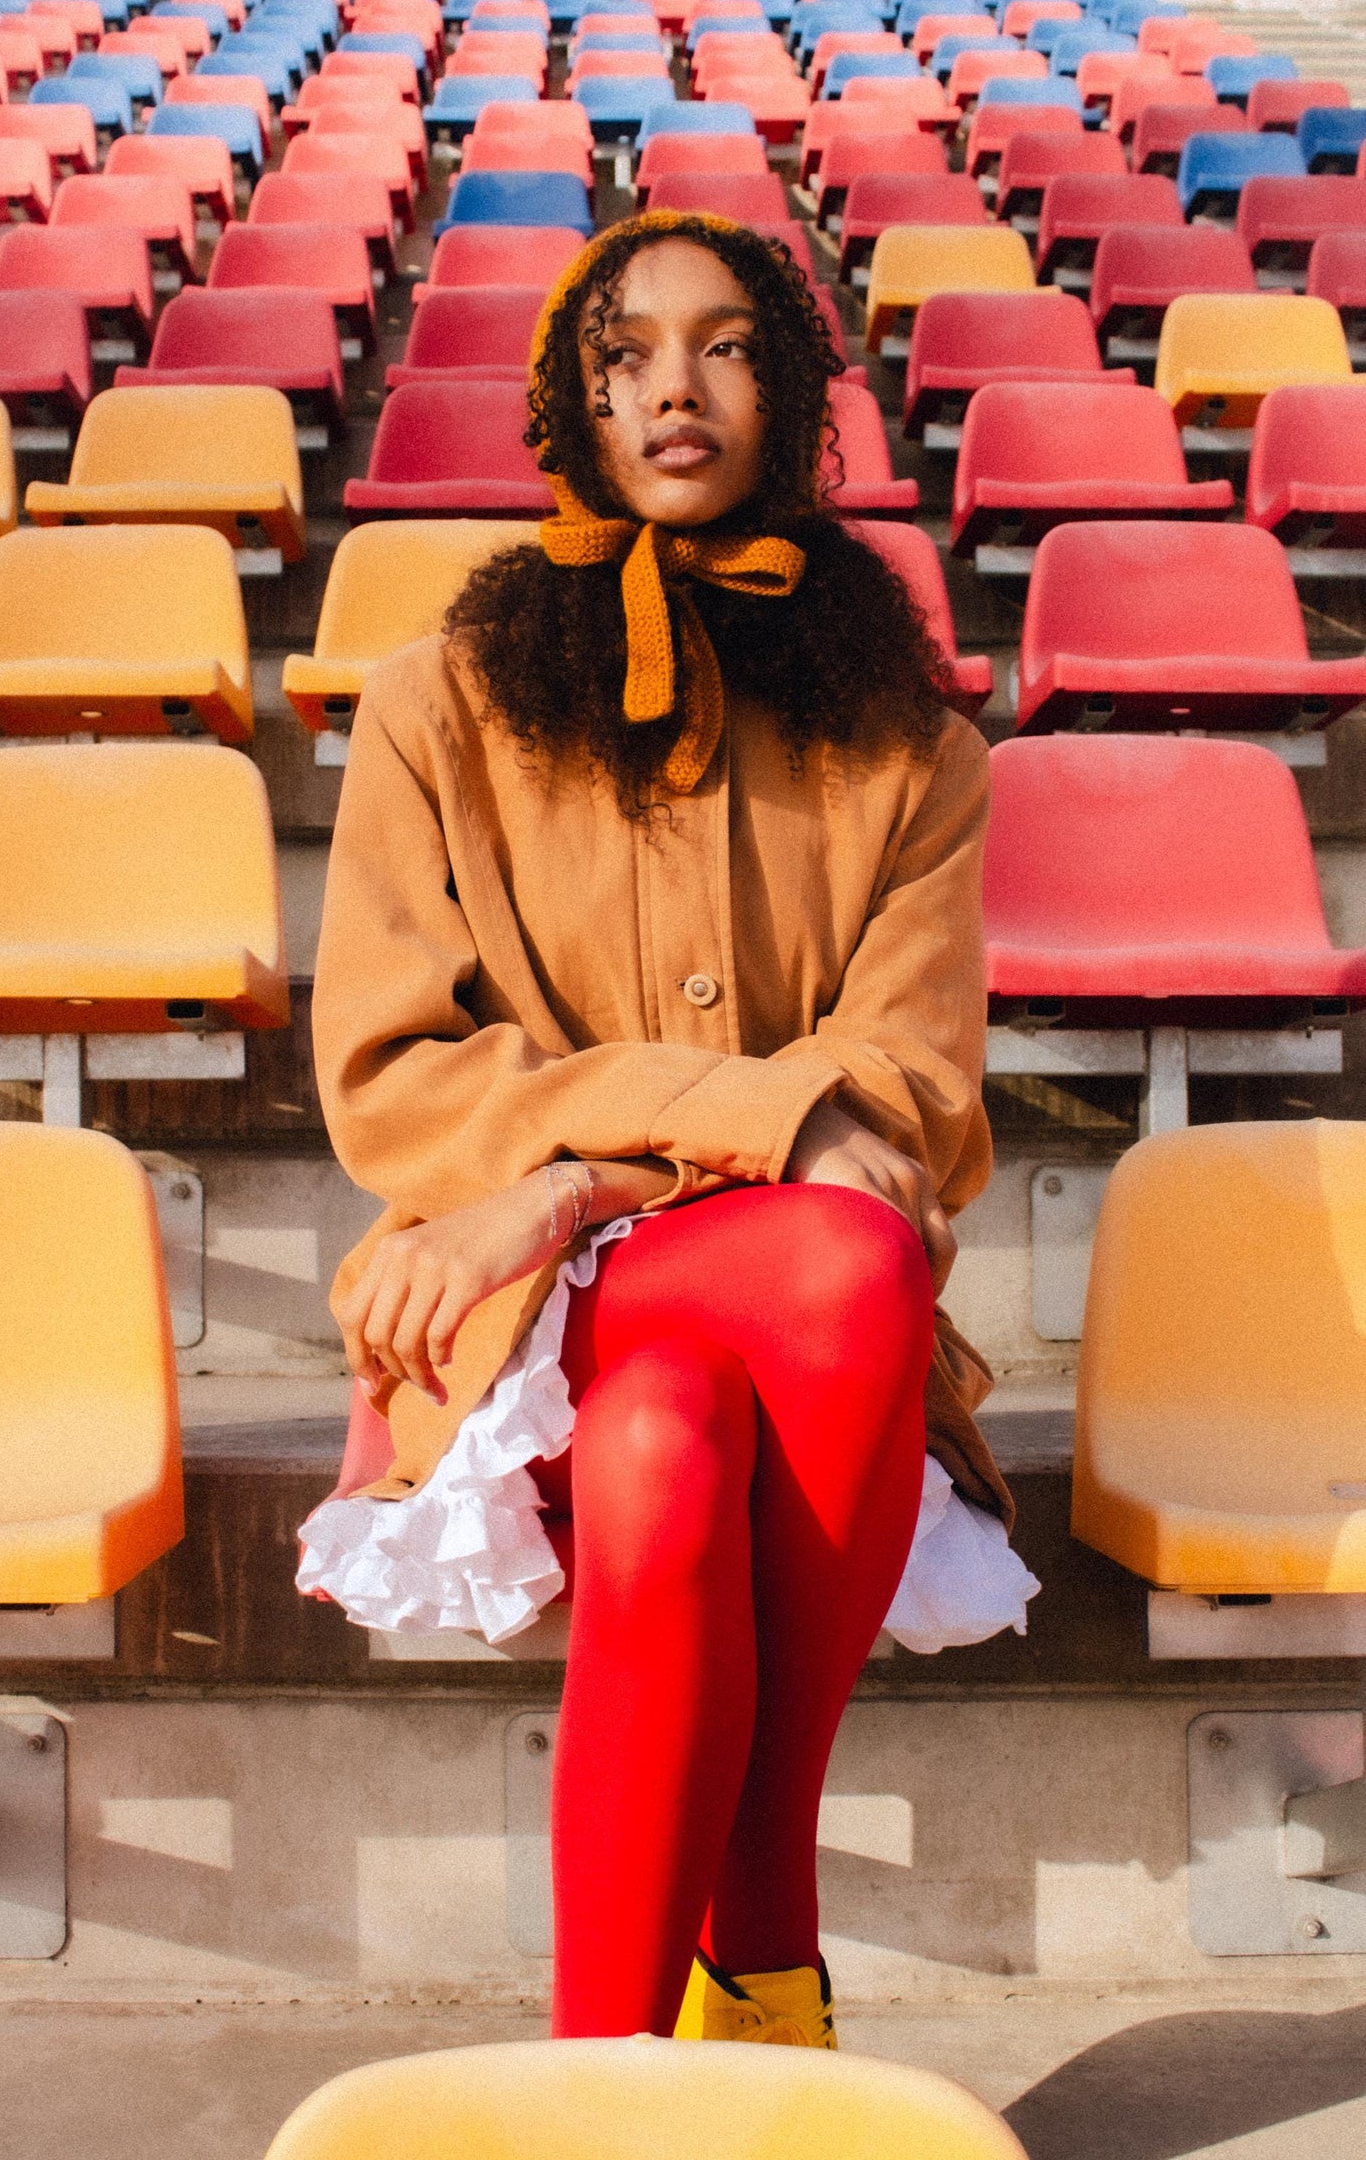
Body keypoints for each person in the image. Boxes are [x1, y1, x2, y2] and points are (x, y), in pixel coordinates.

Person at [298, 212, 1036, 2047]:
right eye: (623, 354)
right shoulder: (435, 703)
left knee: (668, 1443)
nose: (673, 390)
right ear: (574, 403)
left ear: (788, 393)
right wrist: (653, 1163)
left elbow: (909, 1097)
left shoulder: (913, 746)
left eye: (725, 347)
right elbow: (391, 1074)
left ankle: (608, 2071)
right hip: (504, 1310)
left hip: (763, 1334)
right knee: (836, 1255)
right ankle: (769, 1954)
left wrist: (581, 1179)